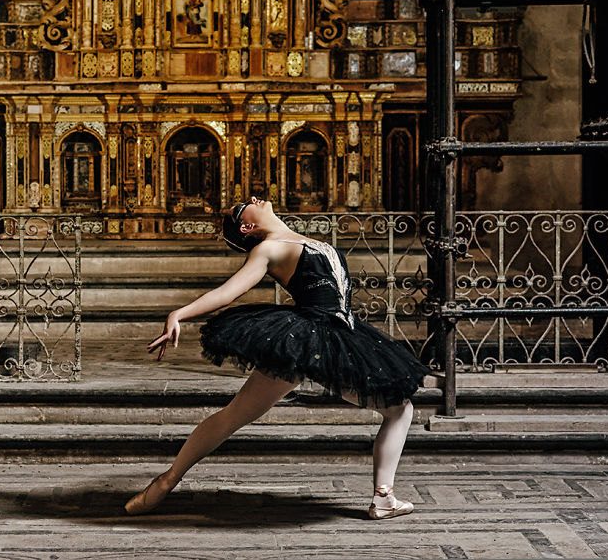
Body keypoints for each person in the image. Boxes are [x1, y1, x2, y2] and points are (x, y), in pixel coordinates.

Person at [124, 196, 430, 519]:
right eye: (245, 205)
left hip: (343, 336)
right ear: (248, 226)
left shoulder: (304, 240)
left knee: (400, 409)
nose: (254, 199)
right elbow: (228, 292)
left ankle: (384, 497)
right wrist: (179, 313)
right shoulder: (267, 249)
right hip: (306, 337)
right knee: (234, 415)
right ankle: (166, 481)